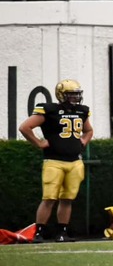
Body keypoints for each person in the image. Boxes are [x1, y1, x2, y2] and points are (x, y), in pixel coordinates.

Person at [19, 80, 93, 243]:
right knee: (49, 198)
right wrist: (39, 143)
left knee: (67, 199)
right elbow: (25, 127)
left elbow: (88, 130)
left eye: (76, 94)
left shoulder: (82, 111)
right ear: (61, 95)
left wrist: (83, 142)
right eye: (71, 94)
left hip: (74, 162)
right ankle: (38, 232)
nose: (75, 97)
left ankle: (62, 233)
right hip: (54, 161)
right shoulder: (49, 109)